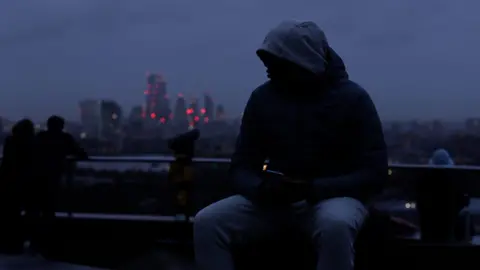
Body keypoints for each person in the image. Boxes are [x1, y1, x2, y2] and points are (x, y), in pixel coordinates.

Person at [194, 20, 388, 270]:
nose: (268, 71)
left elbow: (374, 173)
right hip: (277, 200)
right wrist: (262, 189)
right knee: (207, 223)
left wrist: (313, 188)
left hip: (335, 198)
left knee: (335, 226)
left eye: (277, 64)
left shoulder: (354, 100)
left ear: (302, 62)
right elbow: (242, 165)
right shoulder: (262, 98)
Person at [30, 115, 87, 252]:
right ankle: (47, 241)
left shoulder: (41, 137)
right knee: (49, 209)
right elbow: (81, 153)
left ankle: (35, 240)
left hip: (36, 178)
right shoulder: (64, 138)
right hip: (53, 177)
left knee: (35, 209)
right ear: (61, 126)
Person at [0, 119, 35, 253]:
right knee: (28, 211)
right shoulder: (34, 142)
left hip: (10, 181)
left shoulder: (11, 141)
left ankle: (9, 241)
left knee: (10, 212)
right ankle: (21, 241)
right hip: (28, 182)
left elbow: (7, 162)